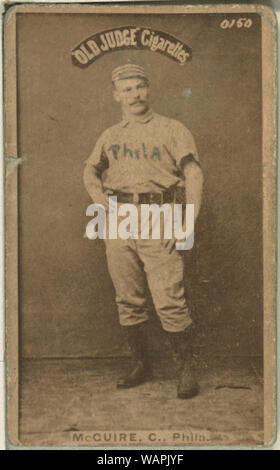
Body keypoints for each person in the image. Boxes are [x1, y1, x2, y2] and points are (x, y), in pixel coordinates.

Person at [83, 64, 203, 398]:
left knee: (169, 298)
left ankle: (186, 370)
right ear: (116, 95)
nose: (134, 95)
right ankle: (140, 364)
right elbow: (90, 170)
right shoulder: (111, 135)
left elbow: (193, 174)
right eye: (127, 89)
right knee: (128, 297)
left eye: (139, 87)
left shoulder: (172, 129)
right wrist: (99, 200)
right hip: (119, 217)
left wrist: (188, 220)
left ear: (148, 90)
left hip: (159, 213)